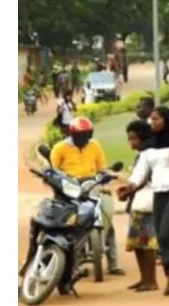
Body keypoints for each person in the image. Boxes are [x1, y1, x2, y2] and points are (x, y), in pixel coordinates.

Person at [117, 106, 169, 295]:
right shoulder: (150, 146)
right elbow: (140, 172)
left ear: (167, 120)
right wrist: (129, 187)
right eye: (151, 119)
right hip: (159, 194)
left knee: (165, 233)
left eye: (156, 119)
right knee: (163, 239)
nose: (152, 122)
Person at [50, 116, 125, 275]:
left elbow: (101, 168)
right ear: (72, 134)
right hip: (69, 189)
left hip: (91, 185)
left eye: (87, 135)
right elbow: (54, 171)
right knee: (69, 226)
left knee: (107, 221)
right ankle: (73, 265)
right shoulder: (60, 148)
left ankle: (114, 263)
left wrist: (108, 176)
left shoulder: (94, 145)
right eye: (80, 135)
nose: (84, 138)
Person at [123, 120, 159, 292]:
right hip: (137, 202)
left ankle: (151, 280)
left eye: (134, 138)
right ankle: (143, 278)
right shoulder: (140, 155)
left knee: (147, 244)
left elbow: (144, 179)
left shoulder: (150, 154)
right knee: (138, 244)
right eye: (129, 139)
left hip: (146, 202)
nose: (131, 142)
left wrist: (129, 190)